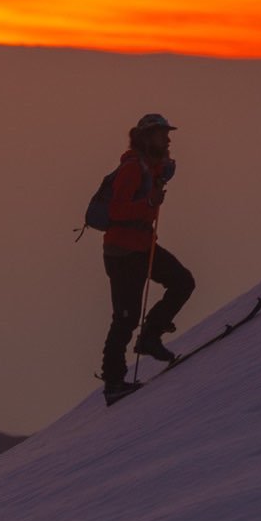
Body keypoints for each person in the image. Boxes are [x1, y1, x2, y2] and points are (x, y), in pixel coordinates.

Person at [100, 113, 195, 403]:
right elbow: (116, 211)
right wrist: (149, 203)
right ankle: (113, 382)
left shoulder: (150, 168)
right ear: (146, 137)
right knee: (125, 318)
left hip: (142, 248)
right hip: (124, 253)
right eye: (162, 134)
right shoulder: (132, 169)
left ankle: (150, 336)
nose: (167, 139)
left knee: (182, 282)